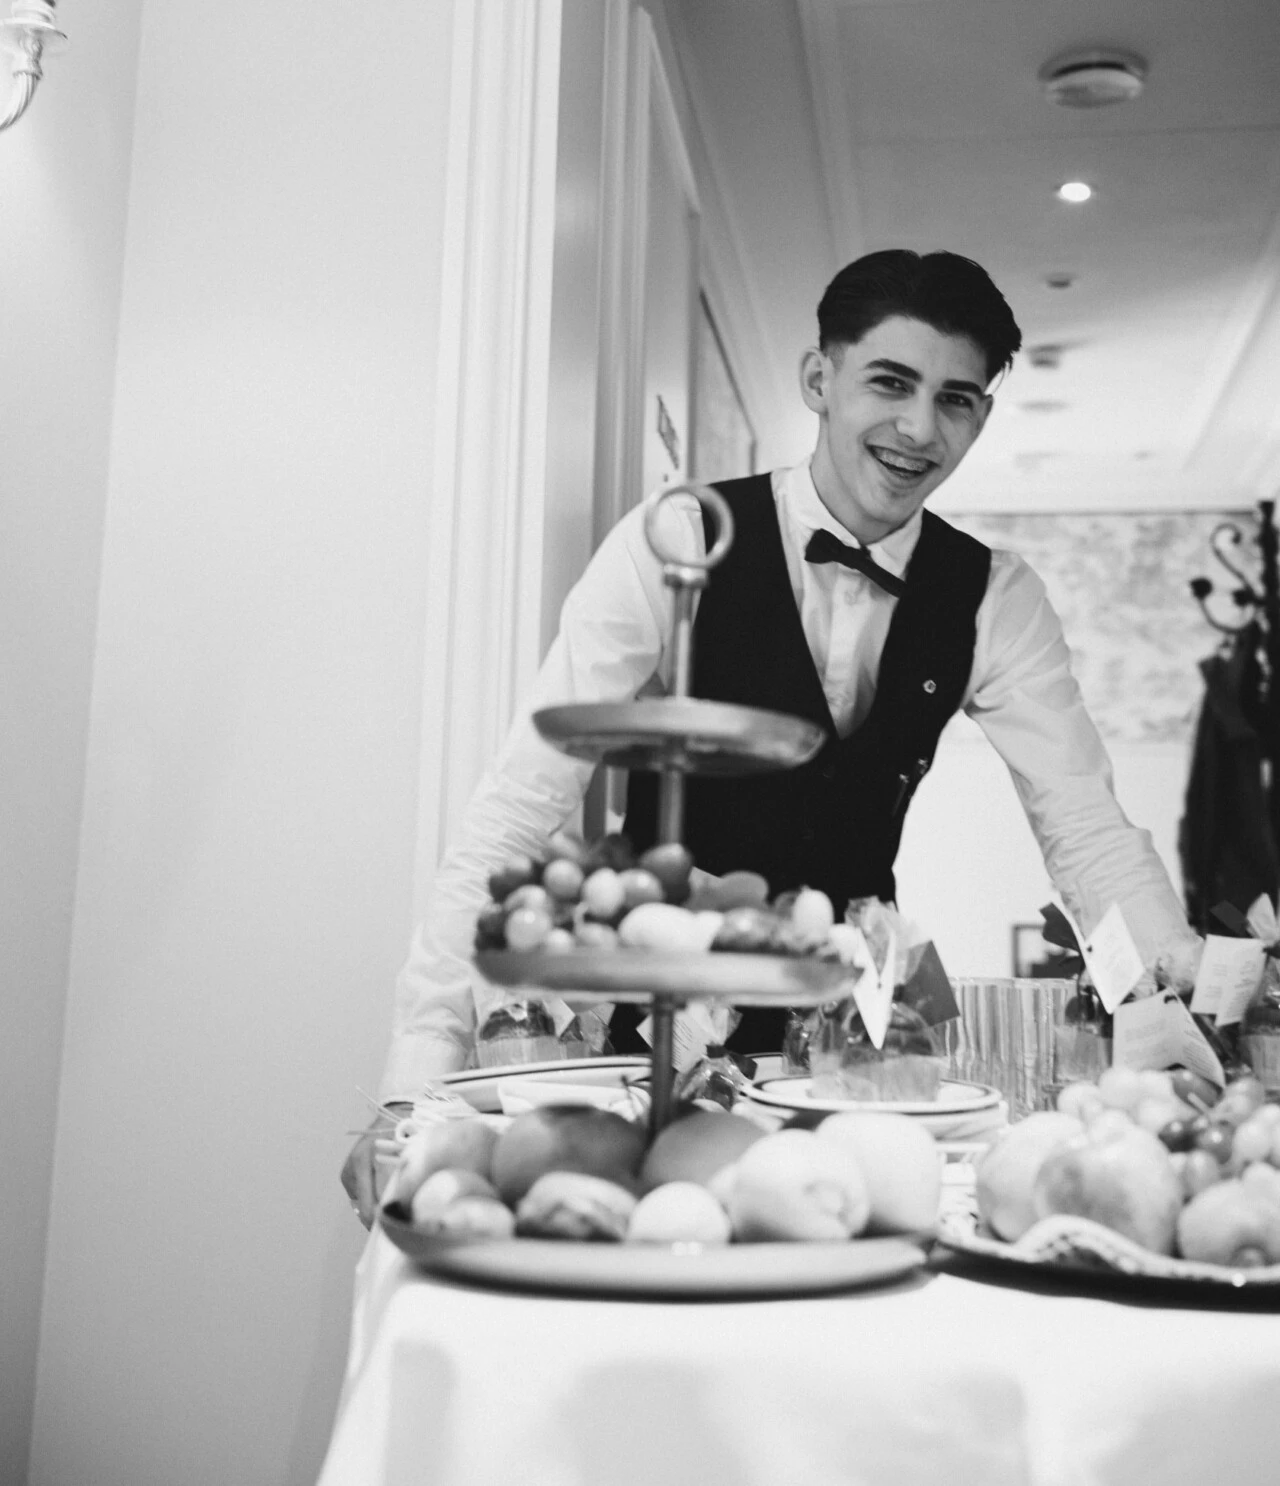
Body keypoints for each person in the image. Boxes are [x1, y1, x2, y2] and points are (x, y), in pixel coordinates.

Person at [342, 248, 1197, 1221]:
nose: (918, 429)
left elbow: (1082, 825)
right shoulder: (675, 539)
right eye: (889, 382)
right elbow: (513, 816)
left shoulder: (994, 598)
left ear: (982, 417)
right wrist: (413, 1085)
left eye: (955, 400)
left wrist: (1166, 1005)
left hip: (854, 1059)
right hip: (651, 1052)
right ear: (817, 379)